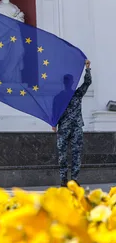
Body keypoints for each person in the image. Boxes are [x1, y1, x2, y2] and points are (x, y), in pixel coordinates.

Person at [52, 59, 92, 187]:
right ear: (64, 83)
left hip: (76, 128)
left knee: (76, 154)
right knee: (62, 155)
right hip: (63, 128)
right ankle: (64, 180)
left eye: (70, 82)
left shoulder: (77, 94)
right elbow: (55, 111)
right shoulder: (59, 97)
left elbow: (87, 82)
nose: (69, 84)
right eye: (67, 82)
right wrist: (53, 123)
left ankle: (74, 180)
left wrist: (87, 68)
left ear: (73, 83)